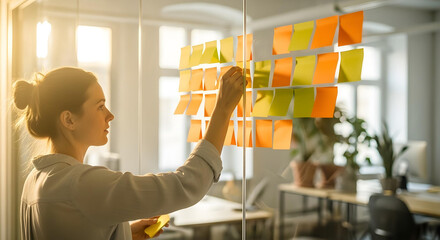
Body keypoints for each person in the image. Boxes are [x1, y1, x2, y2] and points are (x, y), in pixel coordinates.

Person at [14, 66, 244, 240]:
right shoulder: (80, 183)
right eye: (100, 106)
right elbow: (186, 186)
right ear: (69, 119)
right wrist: (222, 109)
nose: (110, 115)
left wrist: (123, 233)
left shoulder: (34, 180)